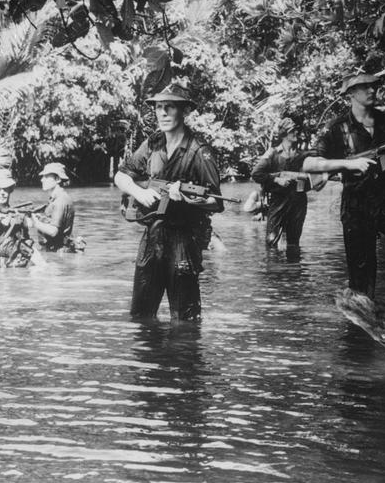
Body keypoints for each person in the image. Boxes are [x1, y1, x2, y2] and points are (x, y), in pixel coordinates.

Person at [302, 70, 385, 305]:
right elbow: (309, 164)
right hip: (357, 205)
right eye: (365, 87)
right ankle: (359, 334)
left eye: (374, 86)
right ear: (351, 94)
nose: (373, 90)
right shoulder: (337, 128)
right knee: (361, 278)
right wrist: (348, 163)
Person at [114, 83, 224, 322]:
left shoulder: (199, 152)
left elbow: (216, 202)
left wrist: (184, 198)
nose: (162, 113)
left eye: (170, 107)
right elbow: (121, 176)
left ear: (183, 111)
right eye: (159, 107)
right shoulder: (153, 144)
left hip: (184, 240)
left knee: (185, 322)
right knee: (140, 316)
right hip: (152, 237)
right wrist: (139, 192)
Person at [251, 117, 309, 257]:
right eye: (292, 131)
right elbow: (256, 174)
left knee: (294, 243)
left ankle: (294, 274)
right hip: (278, 201)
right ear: (284, 134)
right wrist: (276, 179)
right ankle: (274, 275)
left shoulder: (302, 155)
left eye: (296, 130)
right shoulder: (272, 153)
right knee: (271, 241)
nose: (296, 133)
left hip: (298, 201)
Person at [28, 162, 83, 252]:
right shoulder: (57, 198)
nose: (42, 180)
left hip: (57, 251)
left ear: (57, 179)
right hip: (57, 251)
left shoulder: (60, 201)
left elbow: (53, 231)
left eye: (46, 177)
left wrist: (35, 223)